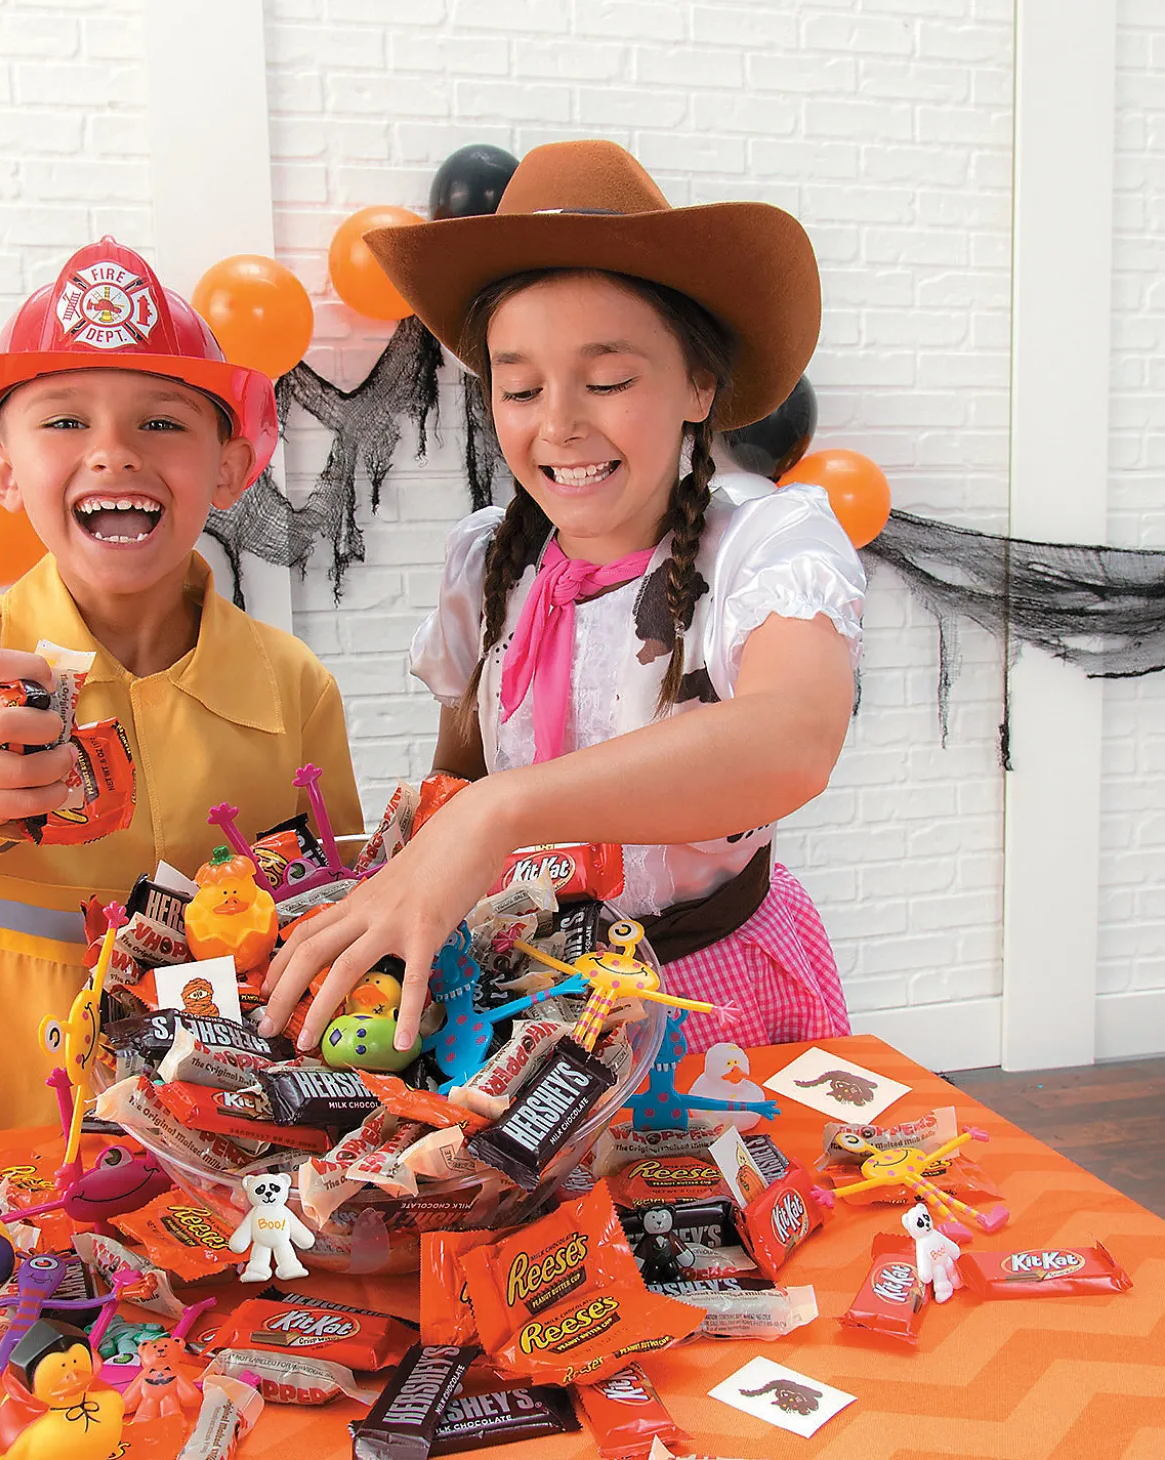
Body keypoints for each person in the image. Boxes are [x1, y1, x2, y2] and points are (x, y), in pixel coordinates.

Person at [261, 141, 864, 1060]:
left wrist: (499, 813)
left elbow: (793, 738)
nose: (559, 424)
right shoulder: (486, 563)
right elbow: (457, 783)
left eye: (608, 380)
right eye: (519, 387)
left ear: (699, 383)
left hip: (712, 996)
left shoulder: (770, 546)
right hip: (523, 1004)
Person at [0, 238, 360, 1136]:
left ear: (229, 467)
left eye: (162, 423)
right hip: (18, 1157)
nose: (113, 454)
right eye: (63, 422)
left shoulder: (293, 688)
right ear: (1, 469)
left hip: (242, 1153)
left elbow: (337, 932)